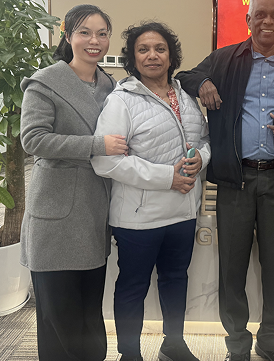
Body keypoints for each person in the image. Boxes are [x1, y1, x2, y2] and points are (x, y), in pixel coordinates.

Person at [175, 0, 274, 361]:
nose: (267, 21)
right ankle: (237, 344)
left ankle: (273, 341)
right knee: (232, 267)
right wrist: (202, 83)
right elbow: (184, 76)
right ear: (248, 20)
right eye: (259, 14)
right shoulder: (225, 58)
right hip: (235, 179)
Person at [91, 21, 211, 361]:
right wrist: (166, 177)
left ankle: (173, 344)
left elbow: (204, 139)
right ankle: (130, 353)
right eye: (143, 50)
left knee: (176, 279)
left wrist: (201, 159)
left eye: (160, 49)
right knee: (133, 286)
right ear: (133, 58)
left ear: (171, 56)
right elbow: (105, 162)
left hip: (183, 212)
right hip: (138, 218)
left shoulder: (186, 97)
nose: (152, 55)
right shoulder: (122, 101)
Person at [20, 4, 129, 361]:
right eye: (84, 32)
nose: (94, 41)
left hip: (94, 211)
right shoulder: (45, 81)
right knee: (60, 318)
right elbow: (33, 139)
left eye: (102, 33)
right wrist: (97, 145)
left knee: (89, 314)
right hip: (56, 213)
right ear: (68, 36)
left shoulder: (110, 85)